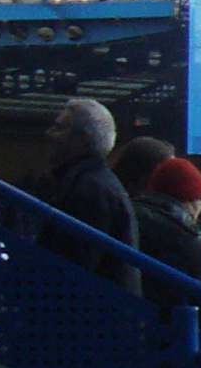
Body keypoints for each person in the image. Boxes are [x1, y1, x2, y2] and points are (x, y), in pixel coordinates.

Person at [28, 95, 140, 291]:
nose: (49, 133)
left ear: (82, 138)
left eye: (59, 128)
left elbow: (73, 268)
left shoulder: (90, 190)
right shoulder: (92, 183)